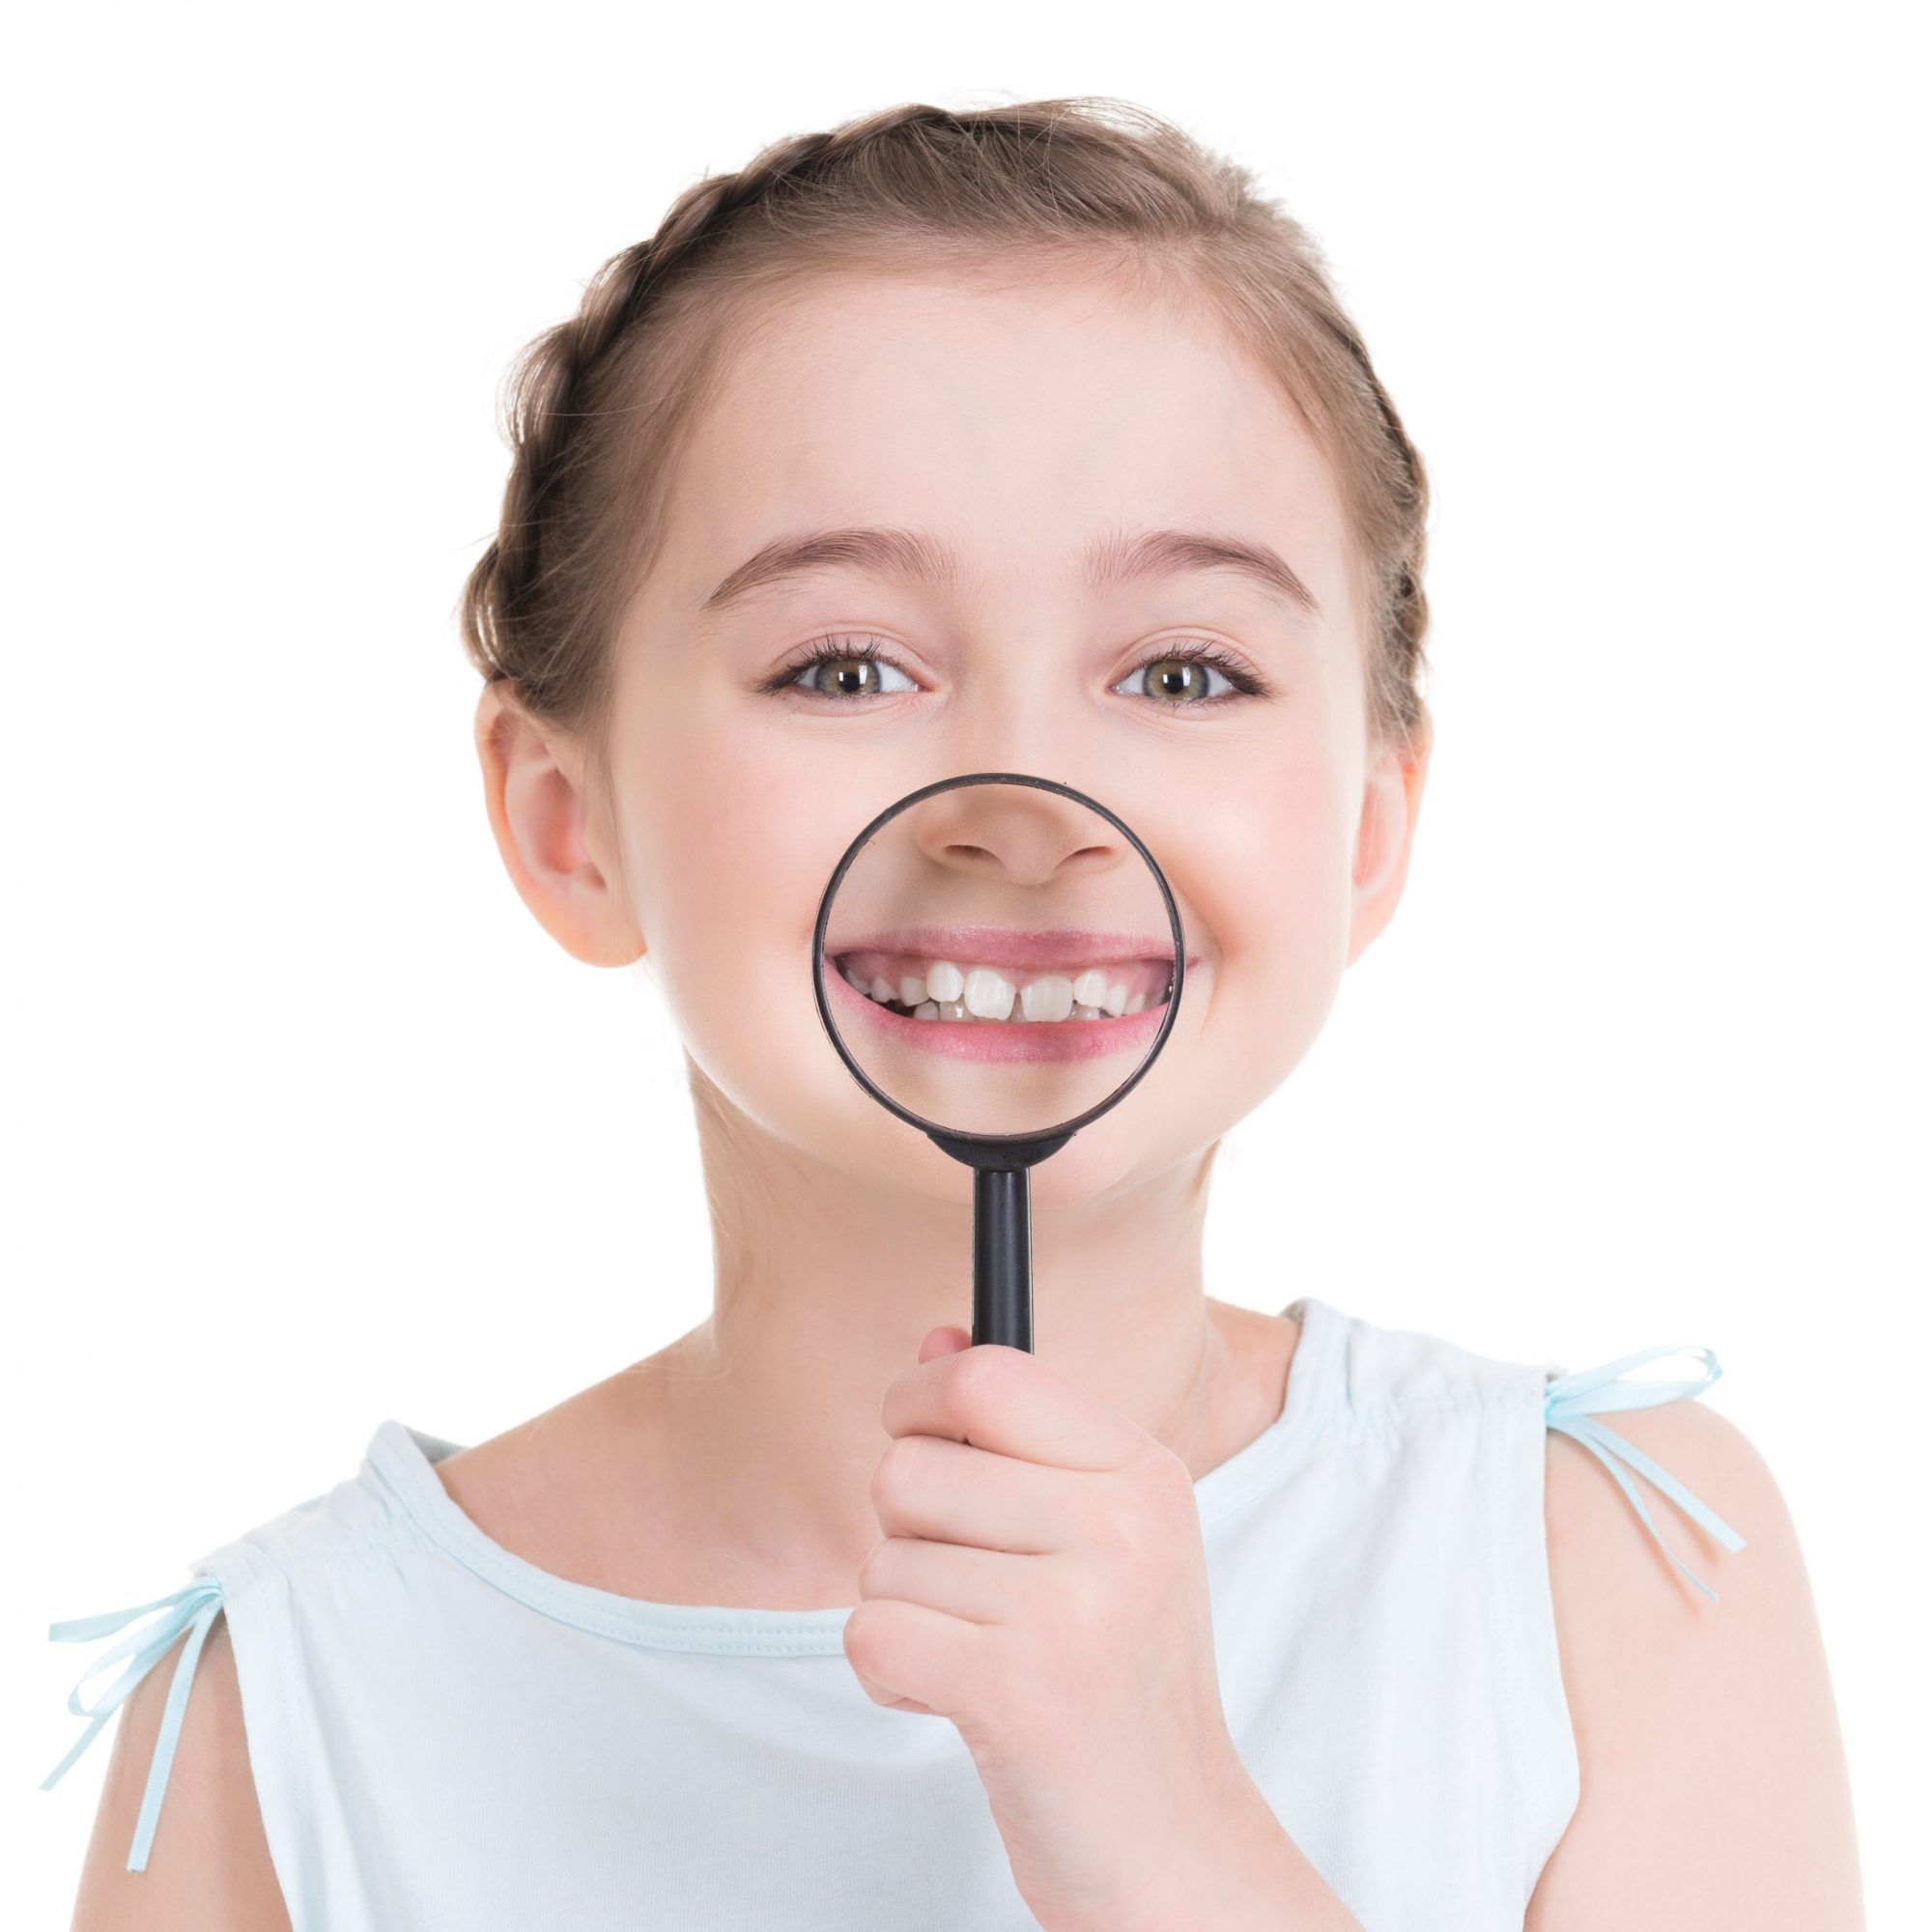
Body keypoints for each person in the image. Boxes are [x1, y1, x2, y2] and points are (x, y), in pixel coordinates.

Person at [42, 97, 1862, 1931]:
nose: (1021, 795)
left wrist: (1166, 1826)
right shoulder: (288, 1719)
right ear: (565, 822)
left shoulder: (1603, 1574)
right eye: (845, 665)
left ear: (1372, 829)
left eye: (1184, 668)